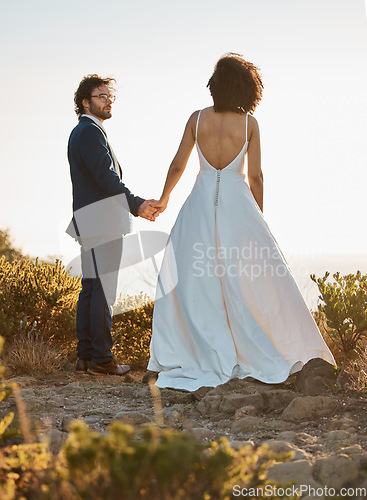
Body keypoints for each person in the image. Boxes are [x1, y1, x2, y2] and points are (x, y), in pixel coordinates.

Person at [146, 53, 336, 391]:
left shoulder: (196, 119)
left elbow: (178, 164)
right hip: (238, 206)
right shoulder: (249, 124)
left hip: (199, 205)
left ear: (215, 86)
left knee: (193, 280)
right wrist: (257, 216)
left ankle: (191, 352)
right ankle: (272, 347)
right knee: (257, 278)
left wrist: (164, 199)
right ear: (247, 89)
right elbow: (256, 176)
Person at [67, 74, 158, 376]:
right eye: (101, 96)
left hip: (90, 221)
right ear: (85, 101)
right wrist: (136, 204)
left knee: (91, 288)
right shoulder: (90, 133)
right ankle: (102, 359)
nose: (108, 101)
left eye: (110, 96)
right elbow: (107, 179)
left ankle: (86, 357)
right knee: (103, 289)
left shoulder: (82, 132)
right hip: (102, 221)